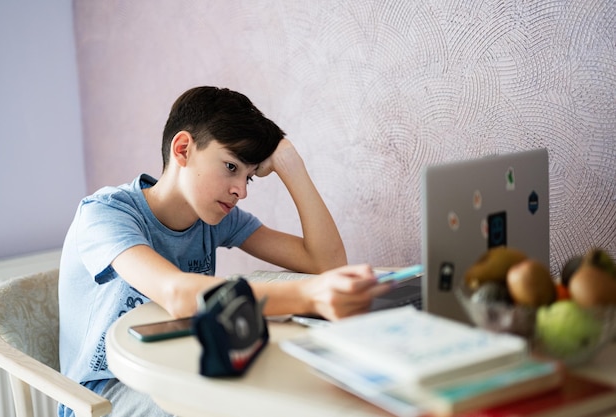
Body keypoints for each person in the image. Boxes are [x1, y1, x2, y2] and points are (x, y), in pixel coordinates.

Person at [57, 86, 390, 417]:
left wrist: (292, 165)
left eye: (249, 177)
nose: (241, 191)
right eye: (231, 167)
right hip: (104, 395)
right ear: (183, 149)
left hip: (179, 367)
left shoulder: (214, 219)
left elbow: (326, 264)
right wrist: (312, 295)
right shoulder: (104, 214)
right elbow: (178, 293)